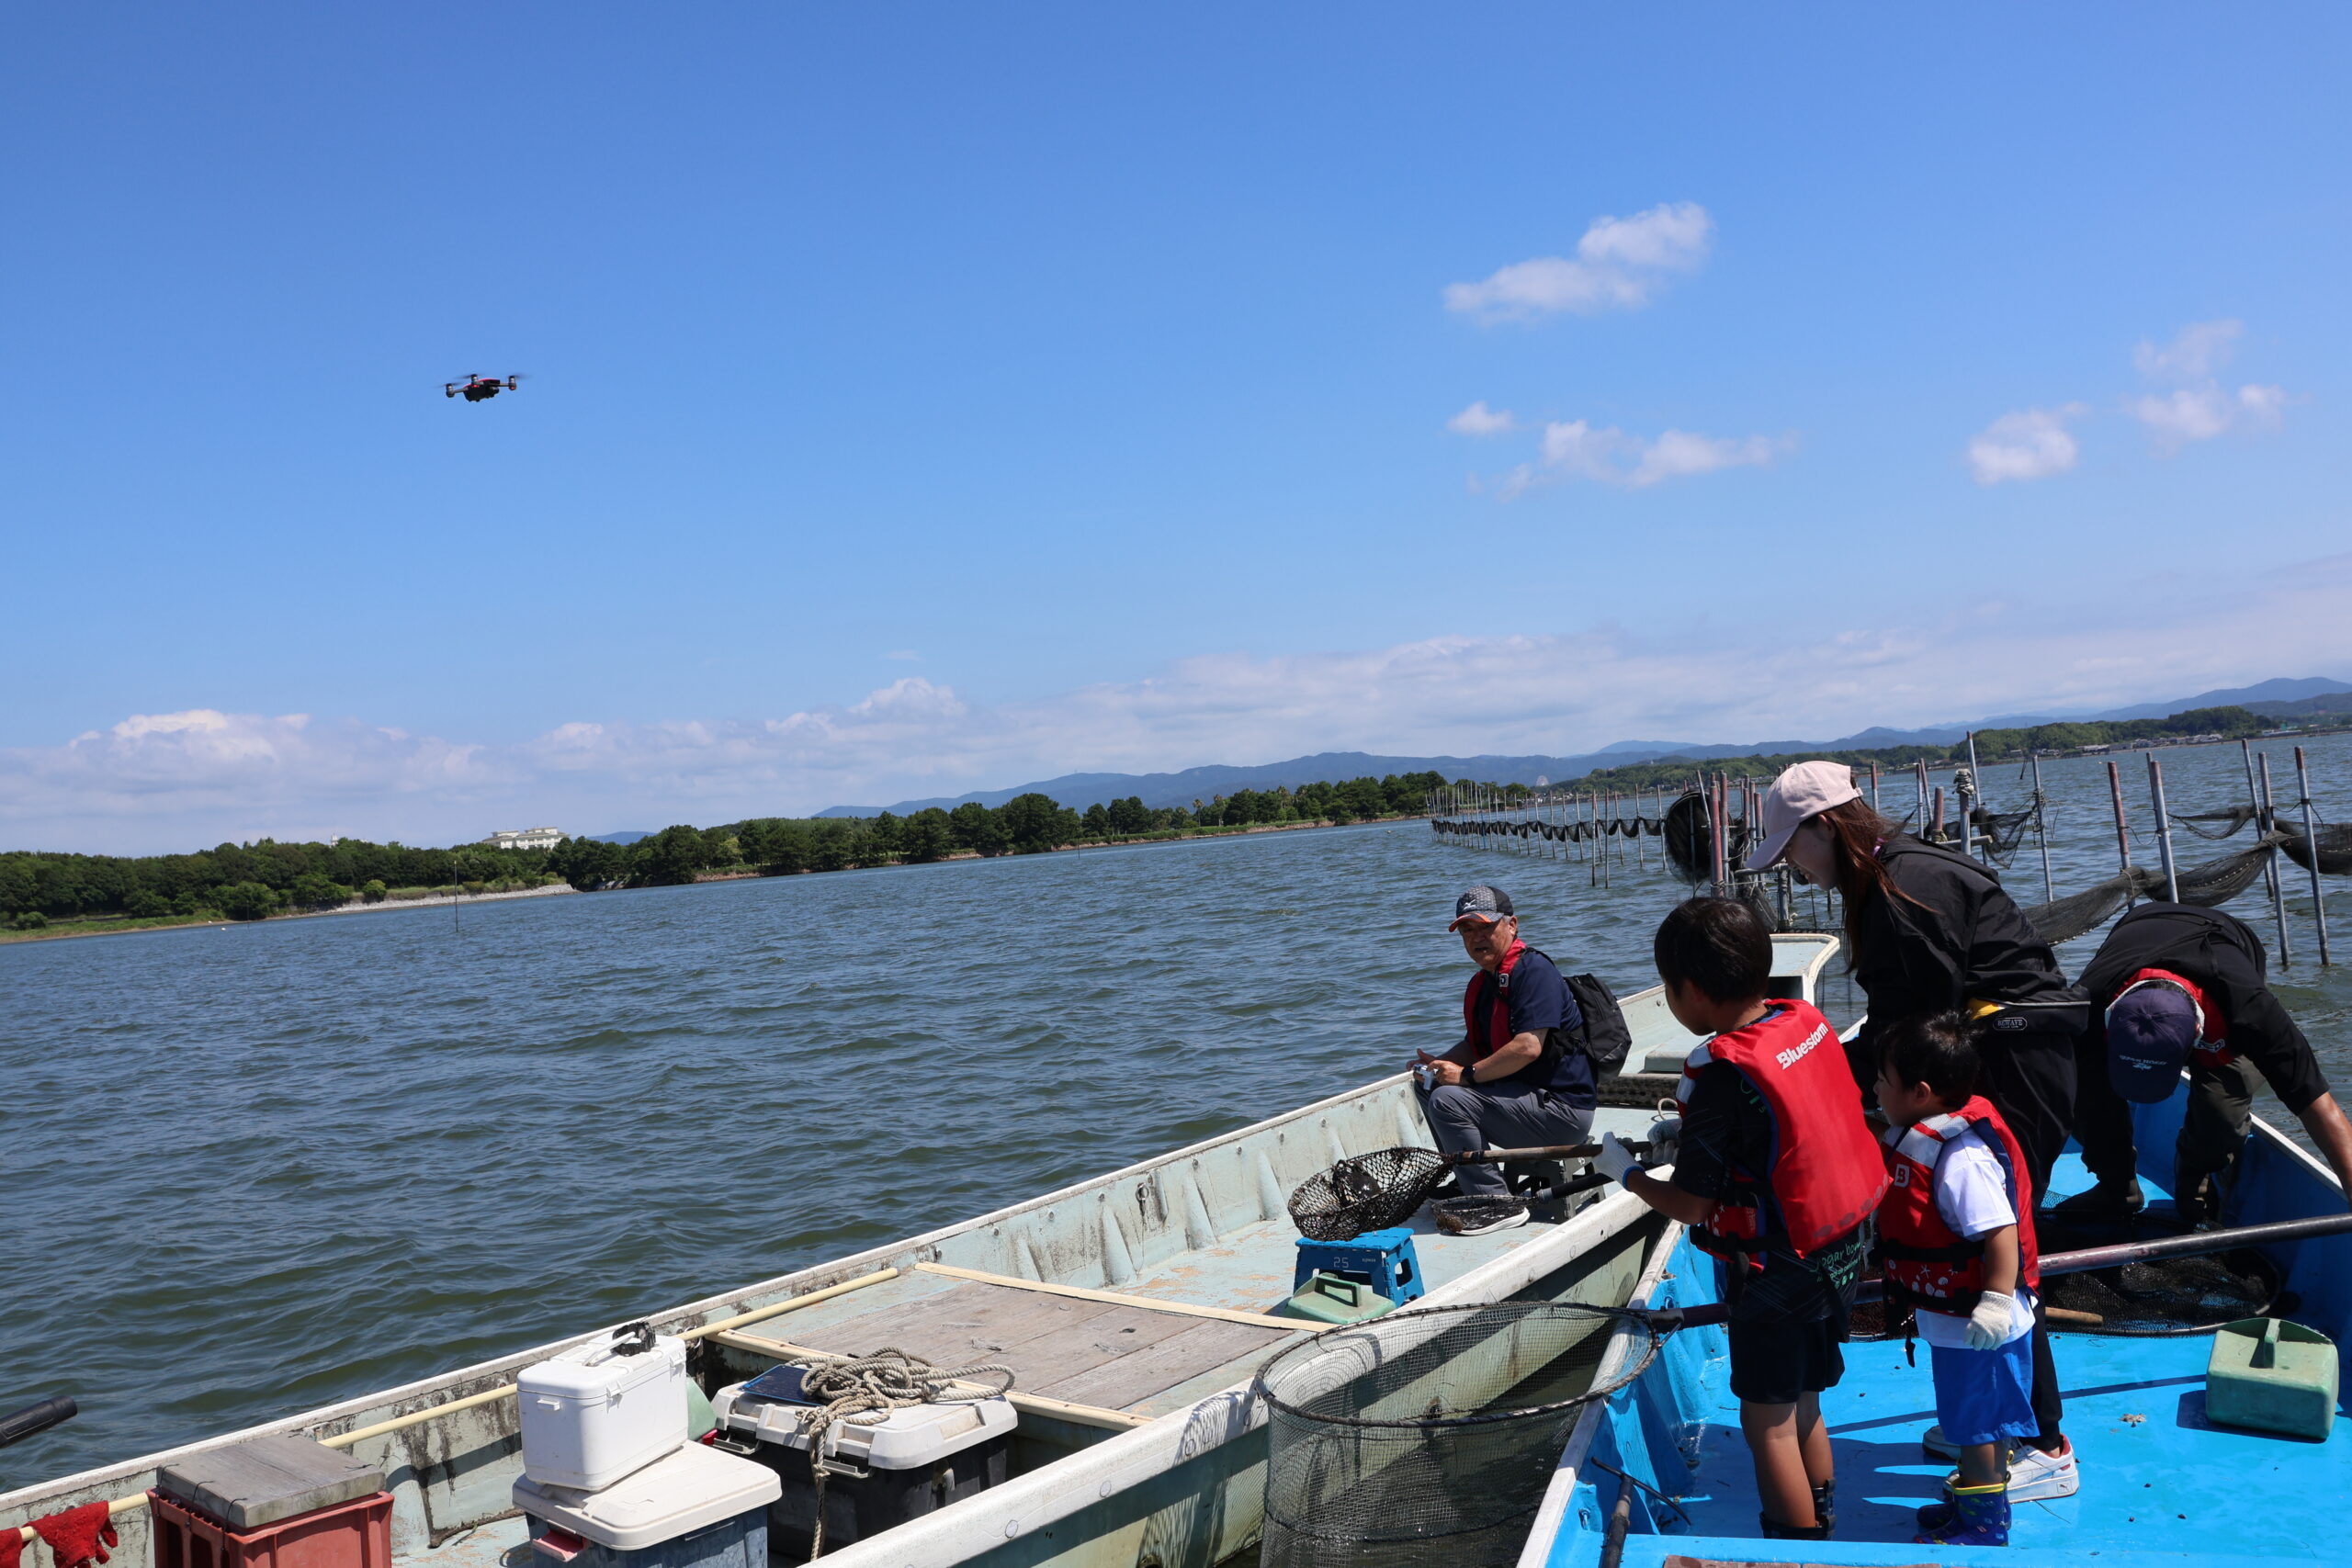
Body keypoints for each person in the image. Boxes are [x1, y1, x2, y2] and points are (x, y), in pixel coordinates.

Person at [1747, 759, 2083, 1499]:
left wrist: (1809, 1079)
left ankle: (2042, 1441)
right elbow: (1900, 1028)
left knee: (2001, 1252)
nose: (1794, 868)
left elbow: (1913, 1030)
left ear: (1825, 827)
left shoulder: (1901, 892)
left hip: (2016, 1062)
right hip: (1993, 1054)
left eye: (1792, 848)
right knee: (1976, 1242)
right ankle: (1989, 1428)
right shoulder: (1892, 872)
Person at [1596, 897, 1886, 1540]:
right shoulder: (1801, 1021)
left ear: (1693, 992)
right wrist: (1688, 1136)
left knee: (1765, 1422)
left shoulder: (1722, 1072)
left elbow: (1692, 1204)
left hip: (1778, 1270)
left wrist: (1627, 1172)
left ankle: (1799, 1542)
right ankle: (1823, 1509)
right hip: (1841, 1248)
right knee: (1804, 1400)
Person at [2066, 901, 2352, 1221]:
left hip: (2224, 942)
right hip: (2136, 933)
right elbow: (2044, 1093)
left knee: (2222, 1112)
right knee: (2081, 1090)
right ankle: (2116, 1188)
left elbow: (2319, 1106)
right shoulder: (2087, 1003)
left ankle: (2194, 1188)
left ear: (2197, 1037)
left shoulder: (2251, 1012)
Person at [1874, 1013, 2042, 1550]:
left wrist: (1994, 1303)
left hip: (1981, 1327)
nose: (1875, 1088)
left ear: (1920, 1093)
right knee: (1970, 1423)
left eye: (1883, 1080)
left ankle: (1985, 1525)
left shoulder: (1962, 1159)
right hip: (1954, 1324)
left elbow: (2001, 1234)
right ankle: (1971, 1502)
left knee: (1980, 1429)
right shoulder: (1925, 1138)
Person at [1413, 885, 1595, 1235]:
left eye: (1486, 927)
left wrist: (1465, 1076)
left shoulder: (1533, 972)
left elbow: (1528, 1047)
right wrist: (1439, 1065)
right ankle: (1468, 1181)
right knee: (1429, 1086)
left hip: (1563, 1111)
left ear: (1512, 925)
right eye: (1467, 930)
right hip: (1522, 1098)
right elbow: (1476, 1044)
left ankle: (1496, 1205)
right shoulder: (1485, 982)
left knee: (1448, 1099)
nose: (1476, 937)